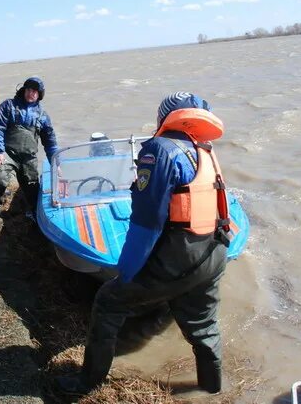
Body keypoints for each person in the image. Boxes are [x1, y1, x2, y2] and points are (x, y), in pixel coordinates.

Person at [54, 92, 231, 396]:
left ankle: (87, 383)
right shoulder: (204, 149)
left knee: (108, 303)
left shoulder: (158, 151)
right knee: (204, 328)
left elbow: (147, 222)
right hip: (214, 254)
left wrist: (126, 271)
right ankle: (212, 390)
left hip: (178, 260)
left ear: (164, 117)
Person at [0, 76, 58, 223]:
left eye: (34, 91)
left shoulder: (43, 116)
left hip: (29, 157)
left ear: (39, 95)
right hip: (8, 153)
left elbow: (50, 142)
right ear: (23, 90)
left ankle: (32, 211)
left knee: (32, 187)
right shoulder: (9, 106)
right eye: (28, 90)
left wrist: (55, 162)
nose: (30, 93)